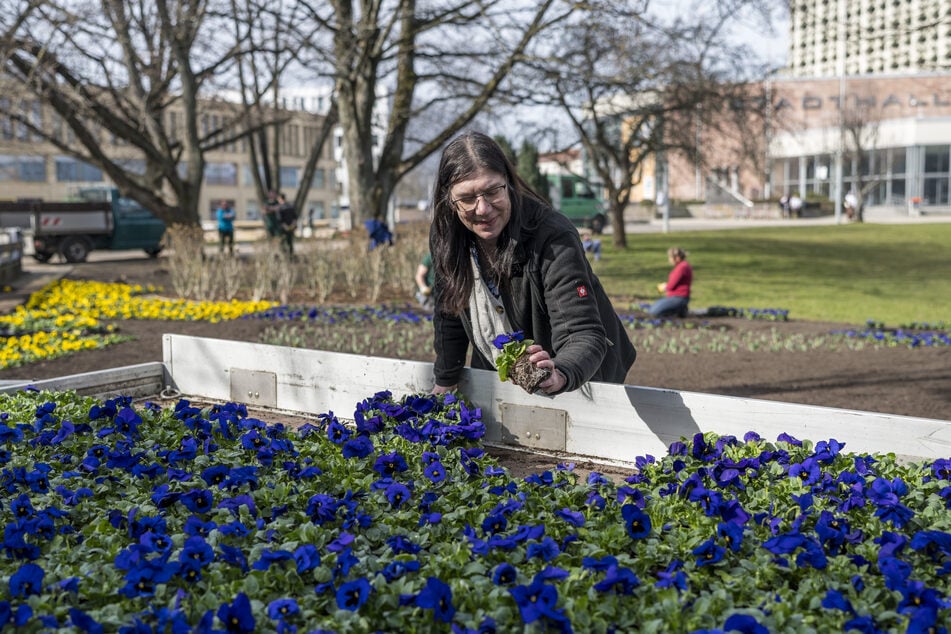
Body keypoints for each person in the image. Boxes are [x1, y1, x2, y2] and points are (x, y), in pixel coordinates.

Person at [428, 131, 637, 396]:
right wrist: (445, 381)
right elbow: (450, 311)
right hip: (502, 374)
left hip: (581, 375)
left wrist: (560, 372)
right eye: (468, 198)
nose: (482, 209)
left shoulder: (551, 236)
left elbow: (582, 332)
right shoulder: (447, 233)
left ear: (508, 183)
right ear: (450, 199)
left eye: (492, 191)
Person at [648, 247, 692, 318]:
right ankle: (679, 309)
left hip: (679, 298)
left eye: (670, 257)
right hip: (676, 297)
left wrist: (664, 286)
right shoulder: (683, 266)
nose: (669, 259)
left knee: (653, 312)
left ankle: (678, 309)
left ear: (677, 258)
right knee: (653, 308)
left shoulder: (682, 267)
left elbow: (671, 286)